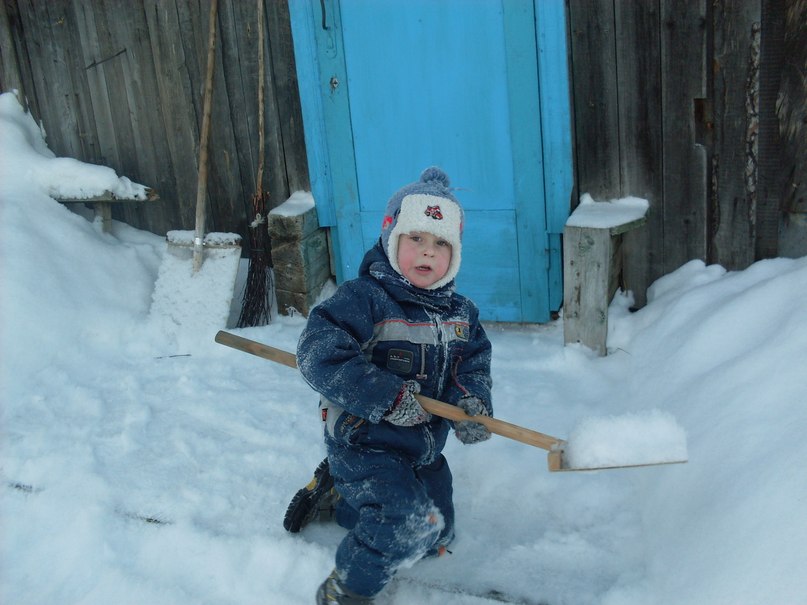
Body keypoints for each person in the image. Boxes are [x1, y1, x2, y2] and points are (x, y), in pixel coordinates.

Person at [285, 167, 493, 604]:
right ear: (390, 237)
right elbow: (319, 354)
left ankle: (343, 500)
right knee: (403, 522)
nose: (427, 251)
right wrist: (386, 395)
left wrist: (472, 403)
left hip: (422, 445)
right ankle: (346, 590)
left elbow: (470, 364)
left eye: (441, 243)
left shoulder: (461, 314)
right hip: (366, 440)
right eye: (416, 237)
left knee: (437, 531)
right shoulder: (364, 298)